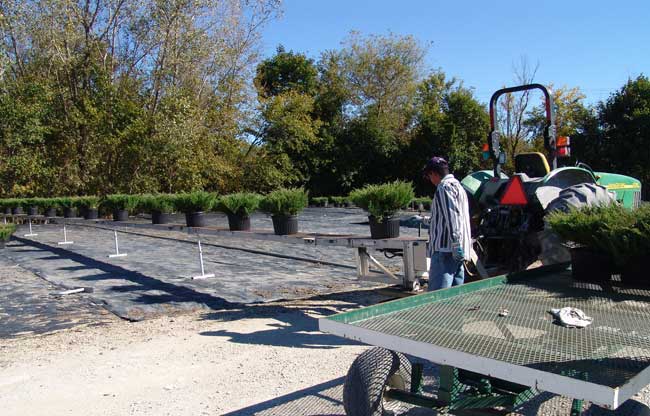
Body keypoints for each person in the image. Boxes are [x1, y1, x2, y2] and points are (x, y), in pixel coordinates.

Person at [421, 156, 472, 290]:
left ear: (434, 173)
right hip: (458, 251)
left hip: (446, 250)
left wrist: (455, 243)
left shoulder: (444, 187)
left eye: (429, 176)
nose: (430, 180)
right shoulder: (458, 186)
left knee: (437, 297)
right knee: (454, 298)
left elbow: (452, 217)